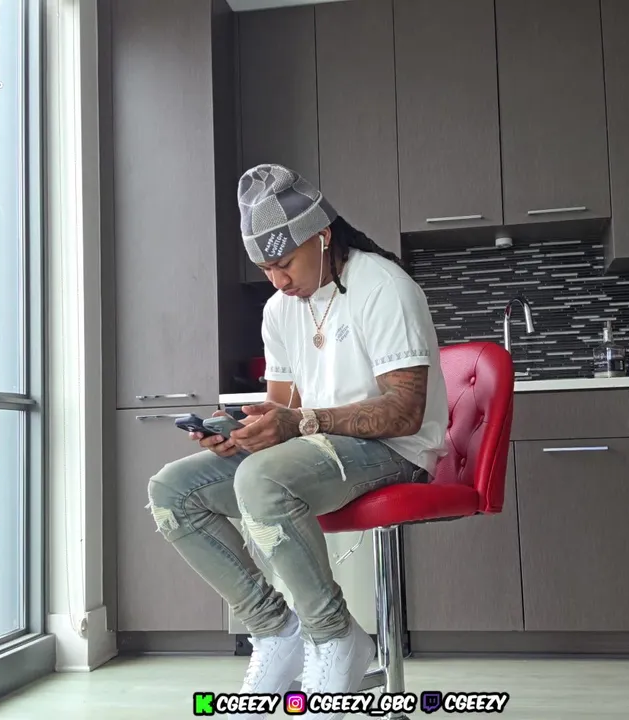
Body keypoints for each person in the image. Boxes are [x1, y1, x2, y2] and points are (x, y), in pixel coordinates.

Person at [147, 164, 448, 718]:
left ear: (322, 236)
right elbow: (282, 409)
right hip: (319, 451)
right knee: (172, 492)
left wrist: (298, 424)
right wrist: (243, 433)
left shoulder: (384, 286)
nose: (278, 281)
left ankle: (335, 637)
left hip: (396, 452)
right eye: (266, 269)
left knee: (262, 480)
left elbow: (405, 412)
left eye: (284, 263)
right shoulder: (279, 309)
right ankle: (276, 630)